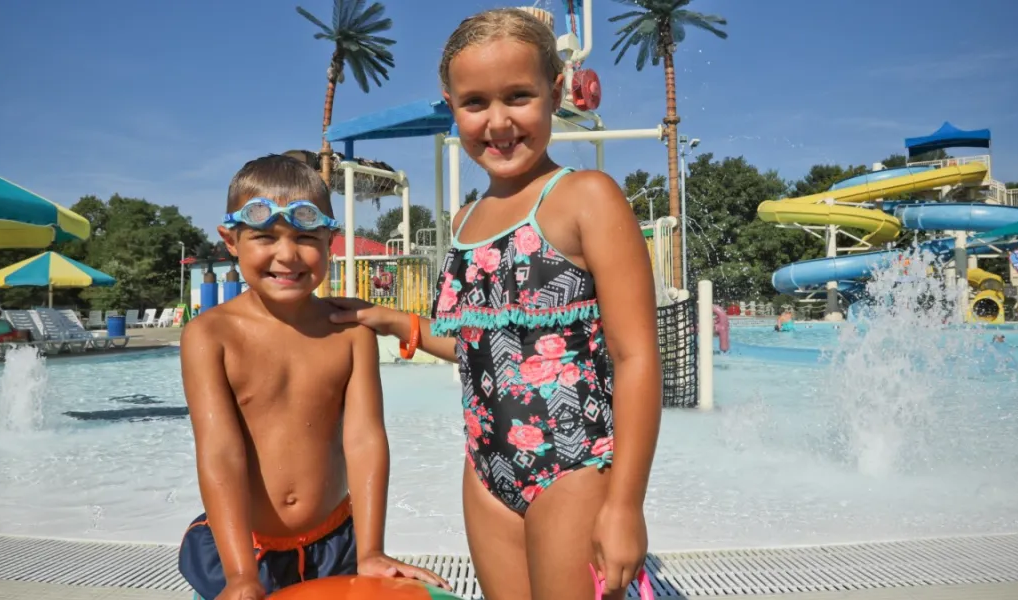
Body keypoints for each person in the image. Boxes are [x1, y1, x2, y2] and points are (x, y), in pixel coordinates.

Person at [327, 9, 662, 599]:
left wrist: (625, 505)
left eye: (519, 96)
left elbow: (635, 358)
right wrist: (391, 321)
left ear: (556, 91)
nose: (499, 122)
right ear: (451, 105)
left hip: (574, 462)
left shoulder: (587, 198)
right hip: (485, 472)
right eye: (476, 102)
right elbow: (473, 343)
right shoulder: (465, 222)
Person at [176, 155, 446, 600]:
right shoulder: (210, 336)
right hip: (244, 550)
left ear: (329, 242)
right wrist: (241, 573)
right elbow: (220, 453)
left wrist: (372, 551)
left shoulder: (350, 331)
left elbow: (364, 440)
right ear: (231, 240)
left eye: (306, 238)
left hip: (337, 543)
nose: (287, 255)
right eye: (265, 237)